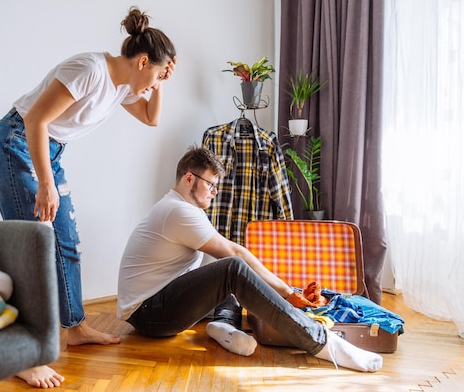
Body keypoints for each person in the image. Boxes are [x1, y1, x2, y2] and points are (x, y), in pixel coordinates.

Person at [0, 6, 177, 388]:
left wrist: (161, 83)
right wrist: (45, 182)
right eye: (155, 74)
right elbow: (35, 119)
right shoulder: (89, 70)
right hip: (16, 146)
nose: (153, 84)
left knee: (66, 242)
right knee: (34, 248)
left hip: (47, 152)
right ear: (142, 61)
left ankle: (75, 327)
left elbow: (151, 119)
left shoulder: (124, 84)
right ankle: (26, 353)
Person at [117, 146, 383, 372]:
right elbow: (235, 254)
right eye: (210, 184)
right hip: (148, 315)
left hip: (156, 306)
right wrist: (287, 291)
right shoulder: (177, 211)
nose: (214, 191)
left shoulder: (182, 208)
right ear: (189, 178)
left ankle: (222, 325)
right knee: (231, 268)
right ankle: (323, 343)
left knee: (221, 269)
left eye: (216, 186)